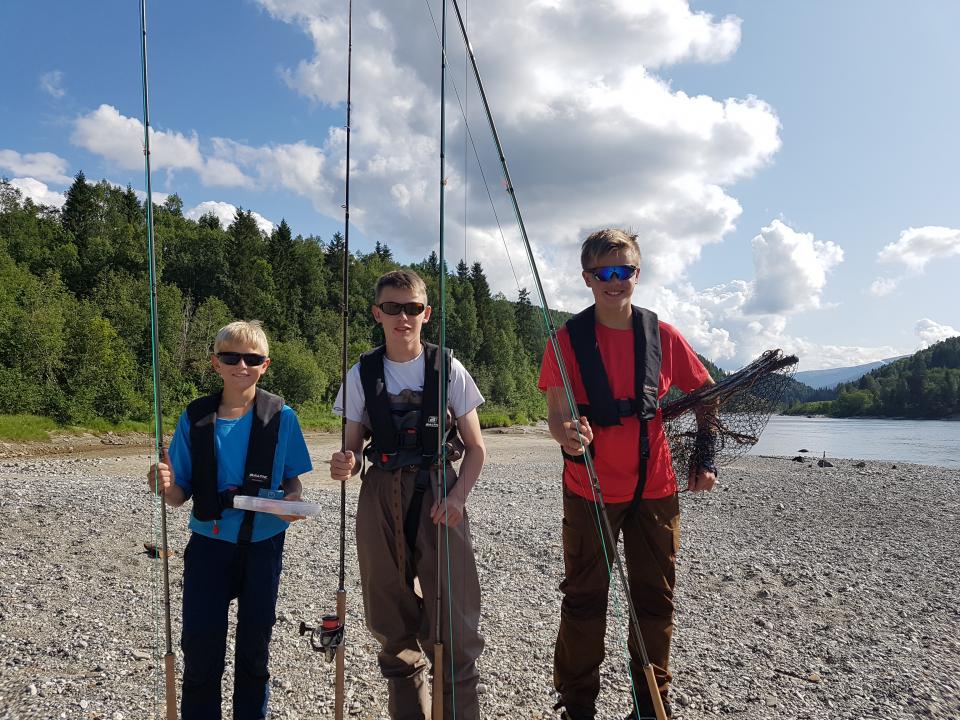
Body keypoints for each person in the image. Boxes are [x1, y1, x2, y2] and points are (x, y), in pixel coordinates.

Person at [538, 229, 717, 720]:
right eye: (604, 273)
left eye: (625, 271)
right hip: (587, 490)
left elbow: (707, 397)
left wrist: (705, 458)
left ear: (637, 274)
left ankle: (650, 705)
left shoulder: (664, 336)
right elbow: (556, 416)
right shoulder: (564, 341)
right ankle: (577, 706)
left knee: (655, 600)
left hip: (655, 489)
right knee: (583, 601)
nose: (615, 281)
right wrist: (566, 433)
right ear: (588, 278)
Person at [329, 269, 486, 720]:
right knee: (390, 620)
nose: (403, 317)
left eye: (412, 308)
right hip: (378, 495)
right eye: (393, 308)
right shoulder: (361, 373)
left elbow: (476, 450)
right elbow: (352, 446)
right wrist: (347, 462)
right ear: (378, 313)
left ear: (426, 313)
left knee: (454, 625)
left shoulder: (449, 367)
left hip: (440, 493)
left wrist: (458, 499)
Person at [148, 320, 313, 720]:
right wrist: (162, 484)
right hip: (208, 546)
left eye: (252, 358)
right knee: (201, 650)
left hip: (264, 545)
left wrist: (294, 501)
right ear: (216, 363)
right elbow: (177, 496)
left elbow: (293, 480)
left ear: (265, 364)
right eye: (231, 357)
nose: (242, 365)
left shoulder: (283, 417)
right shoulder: (195, 418)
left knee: (255, 650)